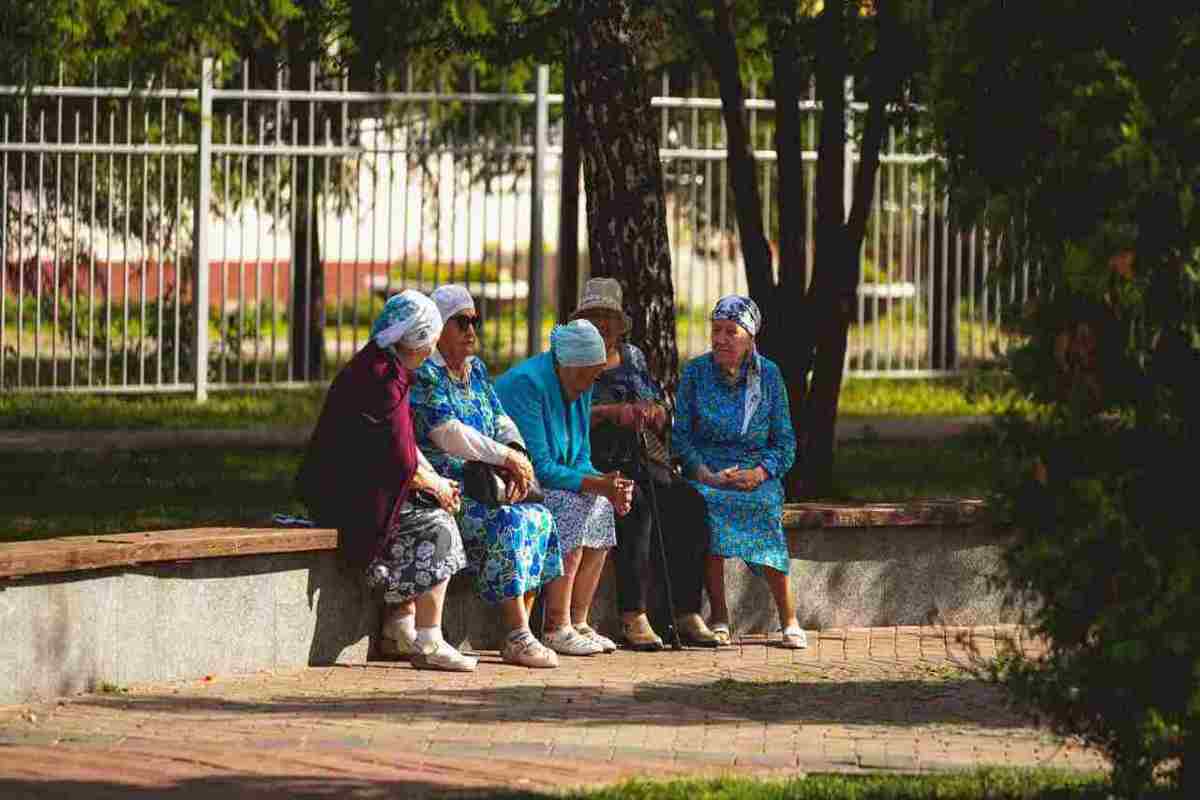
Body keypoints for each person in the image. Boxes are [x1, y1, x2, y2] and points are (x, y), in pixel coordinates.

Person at [296, 290, 477, 672]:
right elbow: (400, 461)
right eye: (431, 338)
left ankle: (400, 626)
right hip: (345, 500)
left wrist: (436, 482)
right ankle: (429, 641)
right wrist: (437, 488)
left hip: (353, 489)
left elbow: (403, 445)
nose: (432, 348)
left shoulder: (382, 366)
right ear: (418, 340)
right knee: (438, 525)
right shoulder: (382, 379)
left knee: (431, 506)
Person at [409, 285, 564, 669]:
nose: (470, 330)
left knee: (541, 517)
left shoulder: (475, 370)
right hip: (450, 487)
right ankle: (516, 635)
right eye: (460, 322)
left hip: (490, 480)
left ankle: (524, 629)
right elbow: (447, 433)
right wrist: (506, 457)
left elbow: (499, 418)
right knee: (507, 522)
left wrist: (517, 455)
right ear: (437, 328)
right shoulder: (426, 374)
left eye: (474, 321)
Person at [572, 278, 718, 650]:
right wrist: (608, 413)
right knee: (634, 504)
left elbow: (653, 401)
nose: (603, 325)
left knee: (689, 501)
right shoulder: (569, 357)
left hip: (637, 454)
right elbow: (565, 415)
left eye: (610, 318)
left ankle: (685, 611)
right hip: (590, 459)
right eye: (595, 316)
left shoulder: (633, 356)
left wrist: (652, 412)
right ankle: (632, 614)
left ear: (620, 324)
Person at [671, 295, 806, 649]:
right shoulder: (695, 373)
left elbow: (786, 442)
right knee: (703, 506)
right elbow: (681, 437)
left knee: (763, 506)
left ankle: (788, 617)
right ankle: (719, 615)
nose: (721, 339)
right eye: (716, 330)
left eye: (731, 331)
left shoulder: (770, 376)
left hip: (754, 473)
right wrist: (704, 474)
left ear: (750, 338)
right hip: (709, 473)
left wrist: (761, 473)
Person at [495, 320, 634, 656]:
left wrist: (606, 484)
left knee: (601, 506)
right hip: (520, 482)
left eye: (594, 376)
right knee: (571, 505)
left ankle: (578, 620)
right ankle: (556, 625)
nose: (589, 386)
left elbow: (581, 456)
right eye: (585, 376)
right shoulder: (528, 384)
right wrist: (595, 483)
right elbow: (540, 466)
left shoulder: (579, 384)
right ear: (565, 365)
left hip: (555, 480)